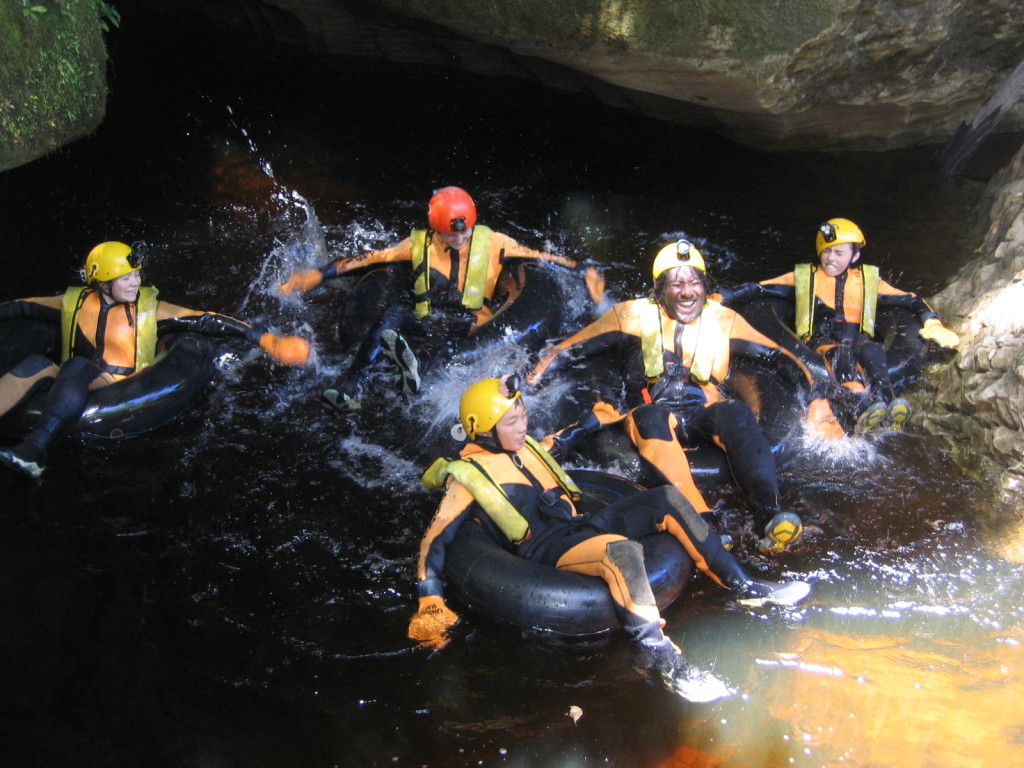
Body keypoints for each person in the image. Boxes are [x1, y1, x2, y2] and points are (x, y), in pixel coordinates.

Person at [407, 376, 811, 702]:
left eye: (523, 415)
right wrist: (430, 598)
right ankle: (664, 658)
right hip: (549, 548)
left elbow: (556, 443)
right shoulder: (466, 478)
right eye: (511, 422)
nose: (522, 426)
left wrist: (592, 420)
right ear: (483, 430)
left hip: (582, 523)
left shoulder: (525, 445)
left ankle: (744, 585)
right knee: (621, 552)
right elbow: (436, 538)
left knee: (668, 499)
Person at [529, 240, 843, 553]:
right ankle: (703, 521)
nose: (687, 291)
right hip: (655, 415)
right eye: (676, 282)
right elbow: (569, 349)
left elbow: (781, 358)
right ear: (659, 289)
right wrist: (530, 380)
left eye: (694, 281)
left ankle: (769, 514)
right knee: (648, 416)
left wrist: (817, 401)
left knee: (734, 411)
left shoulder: (723, 319)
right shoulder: (631, 315)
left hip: (702, 415)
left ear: (705, 286)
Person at [0, 241, 311, 478]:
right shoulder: (73, 302)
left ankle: (35, 450)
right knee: (35, 365)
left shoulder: (150, 310)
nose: (135, 282)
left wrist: (266, 339)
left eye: (136, 275)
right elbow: (22, 307)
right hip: (74, 380)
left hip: (117, 385)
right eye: (125, 278)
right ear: (103, 283)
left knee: (77, 366)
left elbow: (207, 320)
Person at [279, 186, 602, 410]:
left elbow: (539, 256)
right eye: (451, 233)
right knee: (391, 314)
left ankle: (416, 368)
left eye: (464, 231)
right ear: (436, 229)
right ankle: (353, 383)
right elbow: (370, 260)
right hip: (428, 317)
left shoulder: (497, 243)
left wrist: (581, 269)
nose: (459, 238)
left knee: (451, 327)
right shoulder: (418, 246)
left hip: (471, 323)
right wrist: (320, 275)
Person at [718, 218, 961, 432]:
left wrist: (933, 322)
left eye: (839, 253)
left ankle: (888, 403)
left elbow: (910, 300)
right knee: (841, 356)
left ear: (854, 256)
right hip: (822, 345)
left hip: (859, 340)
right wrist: (722, 296)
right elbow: (757, 288)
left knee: (872, 351)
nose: (831, 258)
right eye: (827, 252)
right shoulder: (802, 278)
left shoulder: (868, 281)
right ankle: (860, 406)